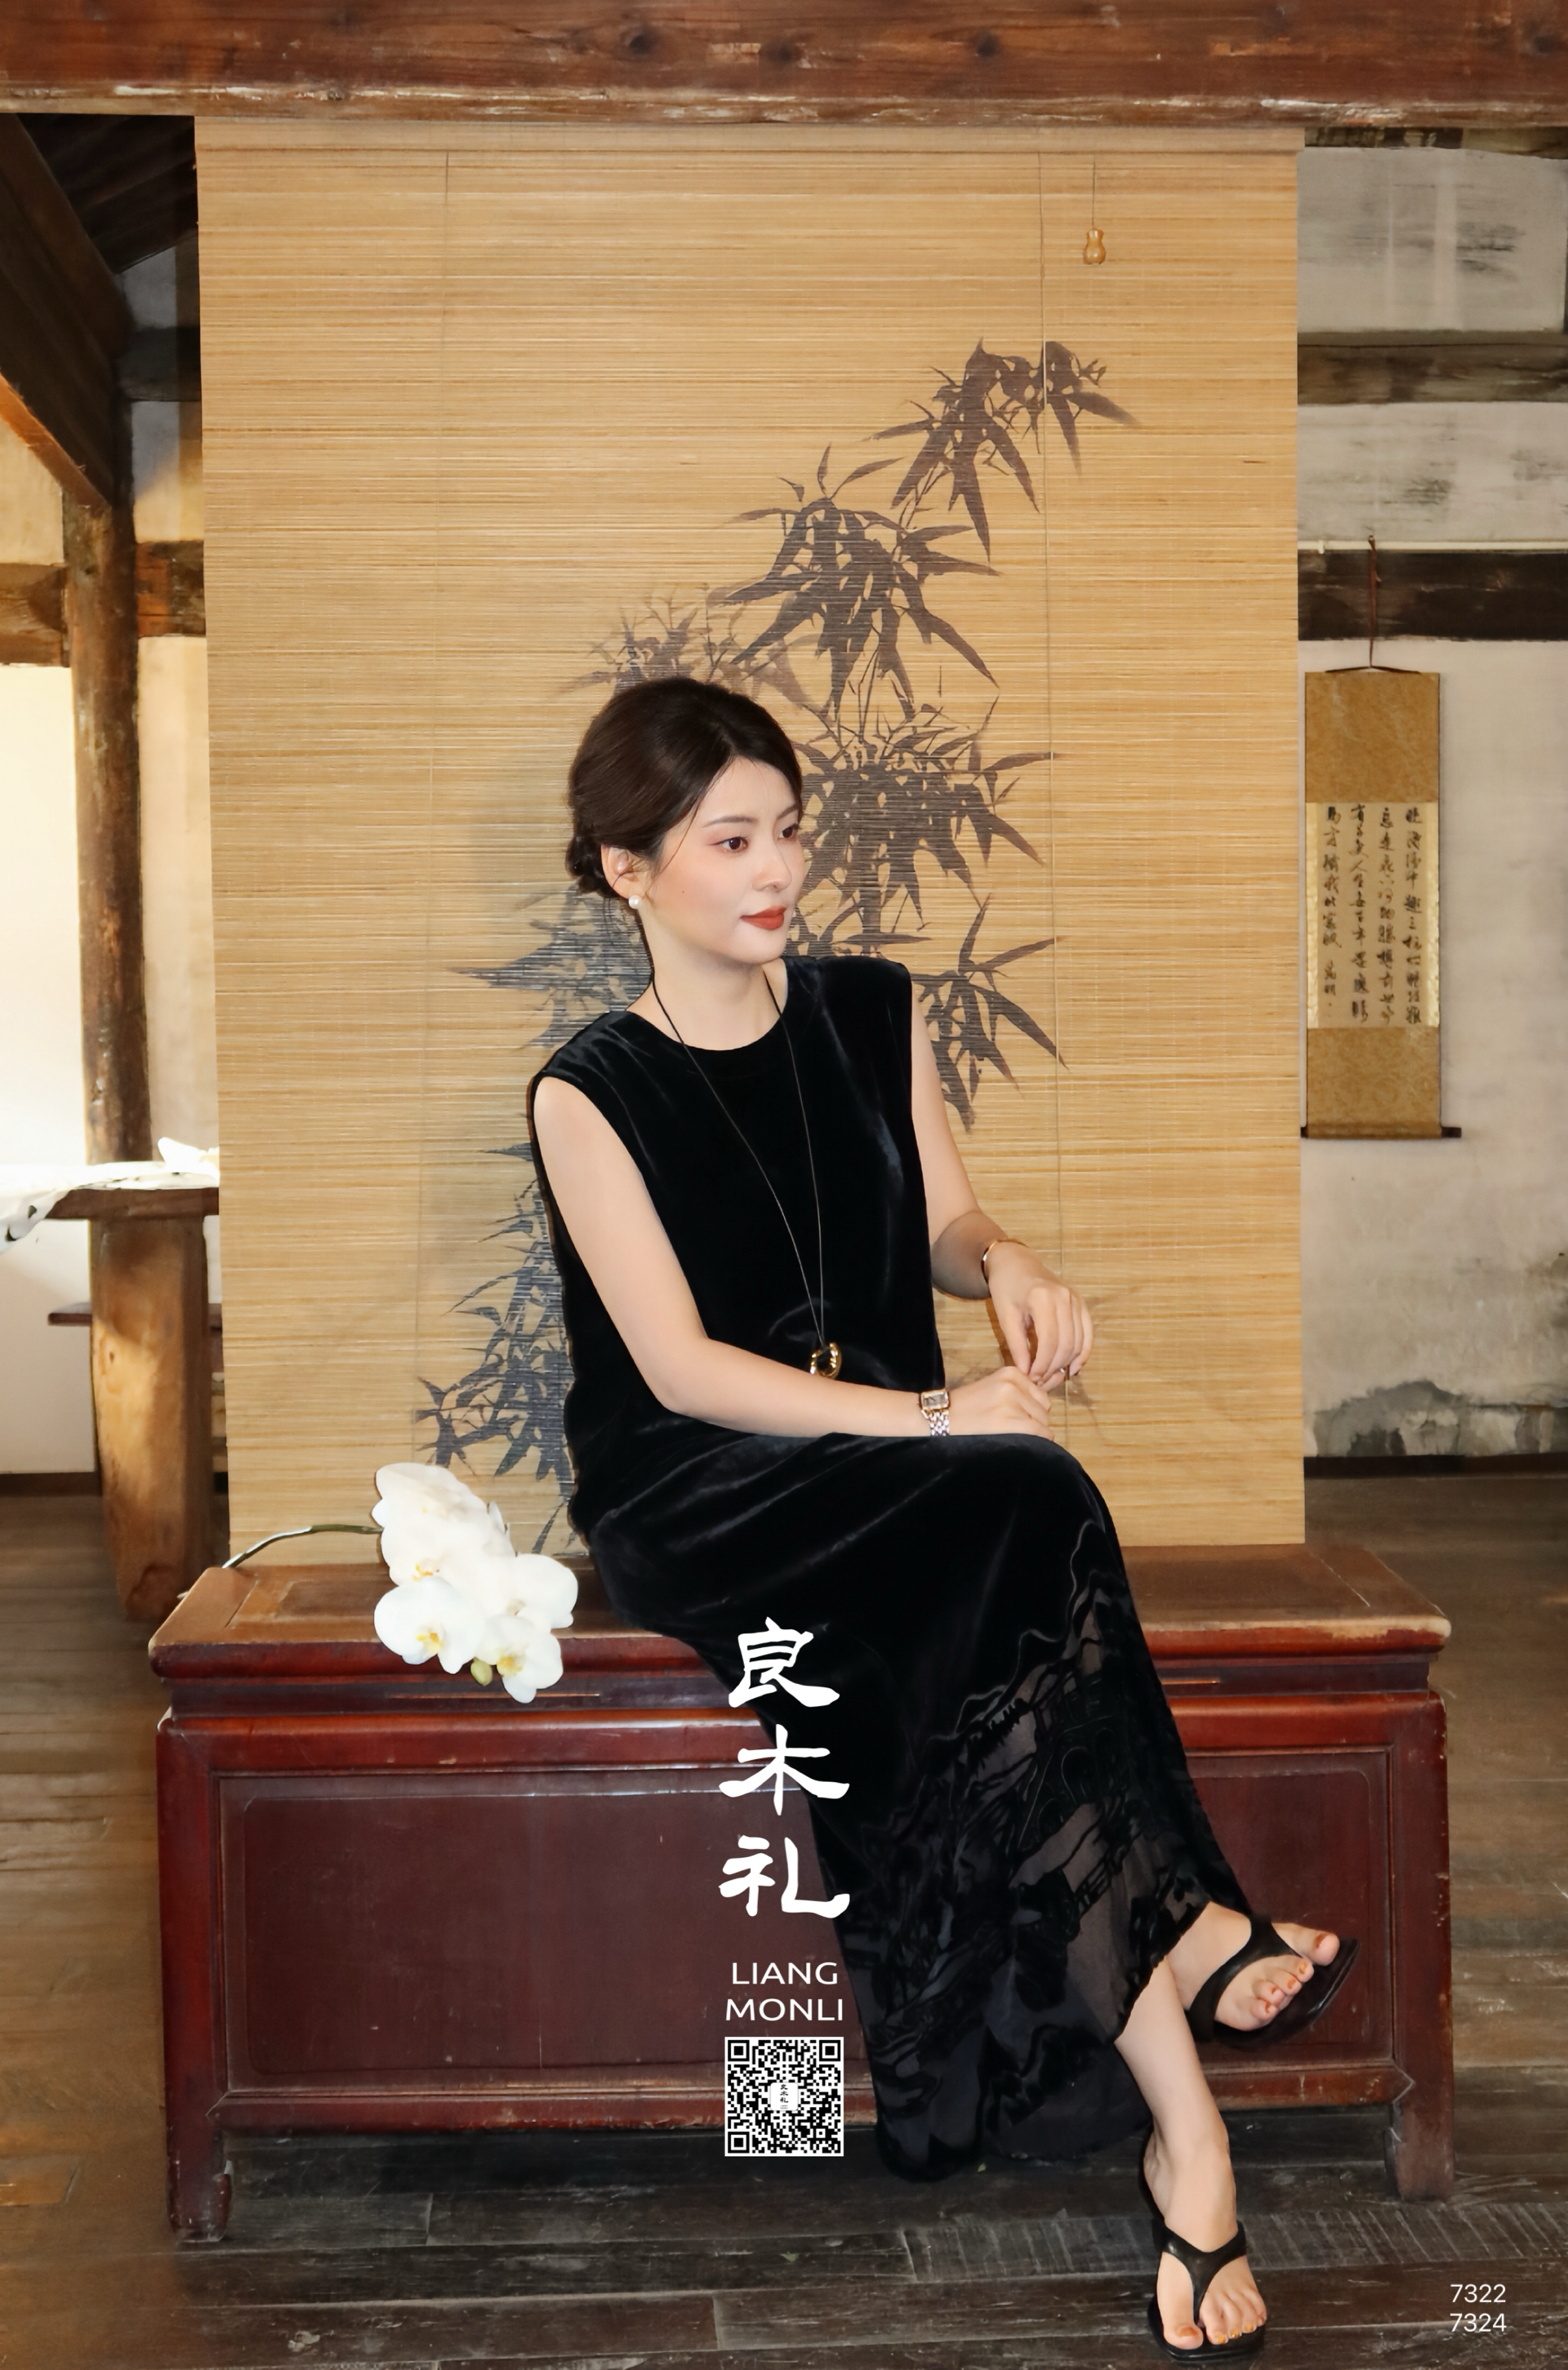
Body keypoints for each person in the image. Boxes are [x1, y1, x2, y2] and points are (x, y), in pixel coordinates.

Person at [530, 677, 1356, 2358]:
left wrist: (1012, 1262)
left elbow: (945, 1220)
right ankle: (1193, 1942)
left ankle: (1191, 2136)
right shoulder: (590, 1087)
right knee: (1018, 1491)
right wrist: (936, 1412)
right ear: (628, 869)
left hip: (895, 1470)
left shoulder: (867, 1009)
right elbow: (679, 1369)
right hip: (703, 1485)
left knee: (1015, 1537)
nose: (778, 869)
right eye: (730, 840)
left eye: (788, 829)